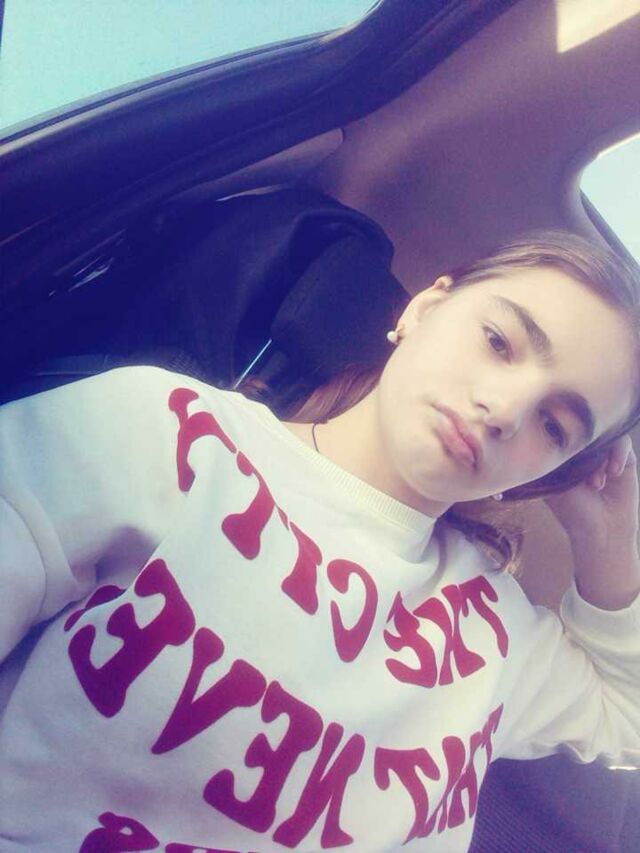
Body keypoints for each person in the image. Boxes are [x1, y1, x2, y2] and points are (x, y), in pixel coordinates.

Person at [0, 230, 639, 852]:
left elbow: (627, 720)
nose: (505, 410)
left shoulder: (499, 634)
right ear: (424, 309)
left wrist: (608, 541)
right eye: (498, 342)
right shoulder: (168, 433)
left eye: (555, 427)